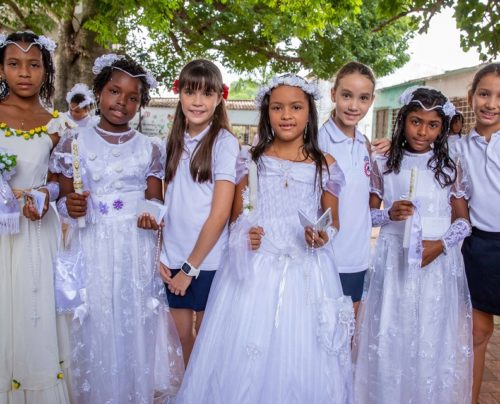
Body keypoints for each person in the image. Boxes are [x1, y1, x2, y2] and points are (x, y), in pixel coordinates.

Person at [176, 74, 354, 403]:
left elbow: (334, 222)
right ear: (267, 112)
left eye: (296, 107)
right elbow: (236, 217)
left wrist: (322, 235)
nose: (286, 115)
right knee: (244, 352)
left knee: (300, 350)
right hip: (255, 270)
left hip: (306, 273)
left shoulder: (325, 165)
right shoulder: (251, 159)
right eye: (278, 107)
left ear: (309, 113)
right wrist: (246, 232)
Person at [50, 53, 183, 403]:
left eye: (132, 97)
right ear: (98, 92)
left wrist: (150, 214)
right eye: (113, 91)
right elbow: (63, 199)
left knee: (132, 321)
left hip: (132, 247)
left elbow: (155, 199)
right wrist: (70, 204)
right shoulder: (74, 142)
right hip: (91, 241)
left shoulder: (149, 149)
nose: (121, 102)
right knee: (93, 320)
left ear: (141, 103)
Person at [353, 86, 473, 403]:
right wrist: (388, 215)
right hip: (395, 261)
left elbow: (463, 223)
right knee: (394, 329)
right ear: (403, 120)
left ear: (443, 128)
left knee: (430, 334)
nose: (422, 131)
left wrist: (440, 245)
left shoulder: (450, 167)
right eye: (416, 121)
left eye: (432, 125)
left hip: (436, 264)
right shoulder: (384, 165)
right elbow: (366, 216)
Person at [0, 31, 70, 403]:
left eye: (33, 64)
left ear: (45, 71)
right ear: (1, 69)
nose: (23, 73)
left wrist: (45, 194)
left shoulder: (58, 125)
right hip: (1, 235)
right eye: (14, 64)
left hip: (36, 234)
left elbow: (61, 182)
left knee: (33, 310)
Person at [159, 59, 239, 367]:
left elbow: (219, 214)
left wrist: (190, 268)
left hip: (206, 262)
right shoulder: (173, 141)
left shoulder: (224, 143)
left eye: (207, 93)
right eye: (190, 92)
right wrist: (163, 255)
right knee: (180, 340)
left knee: (208, 342)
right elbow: (167, 204)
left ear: (219, 98)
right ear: (179, 95)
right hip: (174, 256)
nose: (197, 101)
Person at [318, 61, 384, 314]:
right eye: (346, 95)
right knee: (324, 330)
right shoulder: (318, 141)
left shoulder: (364, 143)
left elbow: (367, 196)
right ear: (333, 94)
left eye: (363, 98)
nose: (354, 106)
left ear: (371, 100)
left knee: (350, 332)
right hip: (327, 255)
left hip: (357, 255)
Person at [453, 63, 500, 404]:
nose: (491, 103)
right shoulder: (457, 147)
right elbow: (418, 146)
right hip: (479, 246)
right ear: (471, 97)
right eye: (484, 94)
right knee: (478, 332)